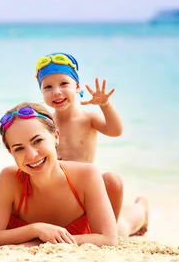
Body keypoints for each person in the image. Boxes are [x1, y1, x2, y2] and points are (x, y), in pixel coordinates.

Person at [0, 102, 127, 248]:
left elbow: (108, 239)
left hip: (106, 223)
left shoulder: (87, 174)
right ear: (11, 153)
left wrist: (39, 242)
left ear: (56, 136)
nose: (32, 155)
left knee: (125, 226)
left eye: (38, 141)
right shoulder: (10, 179)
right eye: (19, 149)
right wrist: (36, 229)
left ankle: (141, 210)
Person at [35, 52, 149, 236]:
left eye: (64, 84)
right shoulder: (45, 124)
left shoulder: (88, 118)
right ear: (42, 93)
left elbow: (115, 131)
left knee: (120, 225)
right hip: (62, 195)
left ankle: (140, 209)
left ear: (77, 86)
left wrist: (105, 105)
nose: (56, 91)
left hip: (88, 190)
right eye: (48, 87)